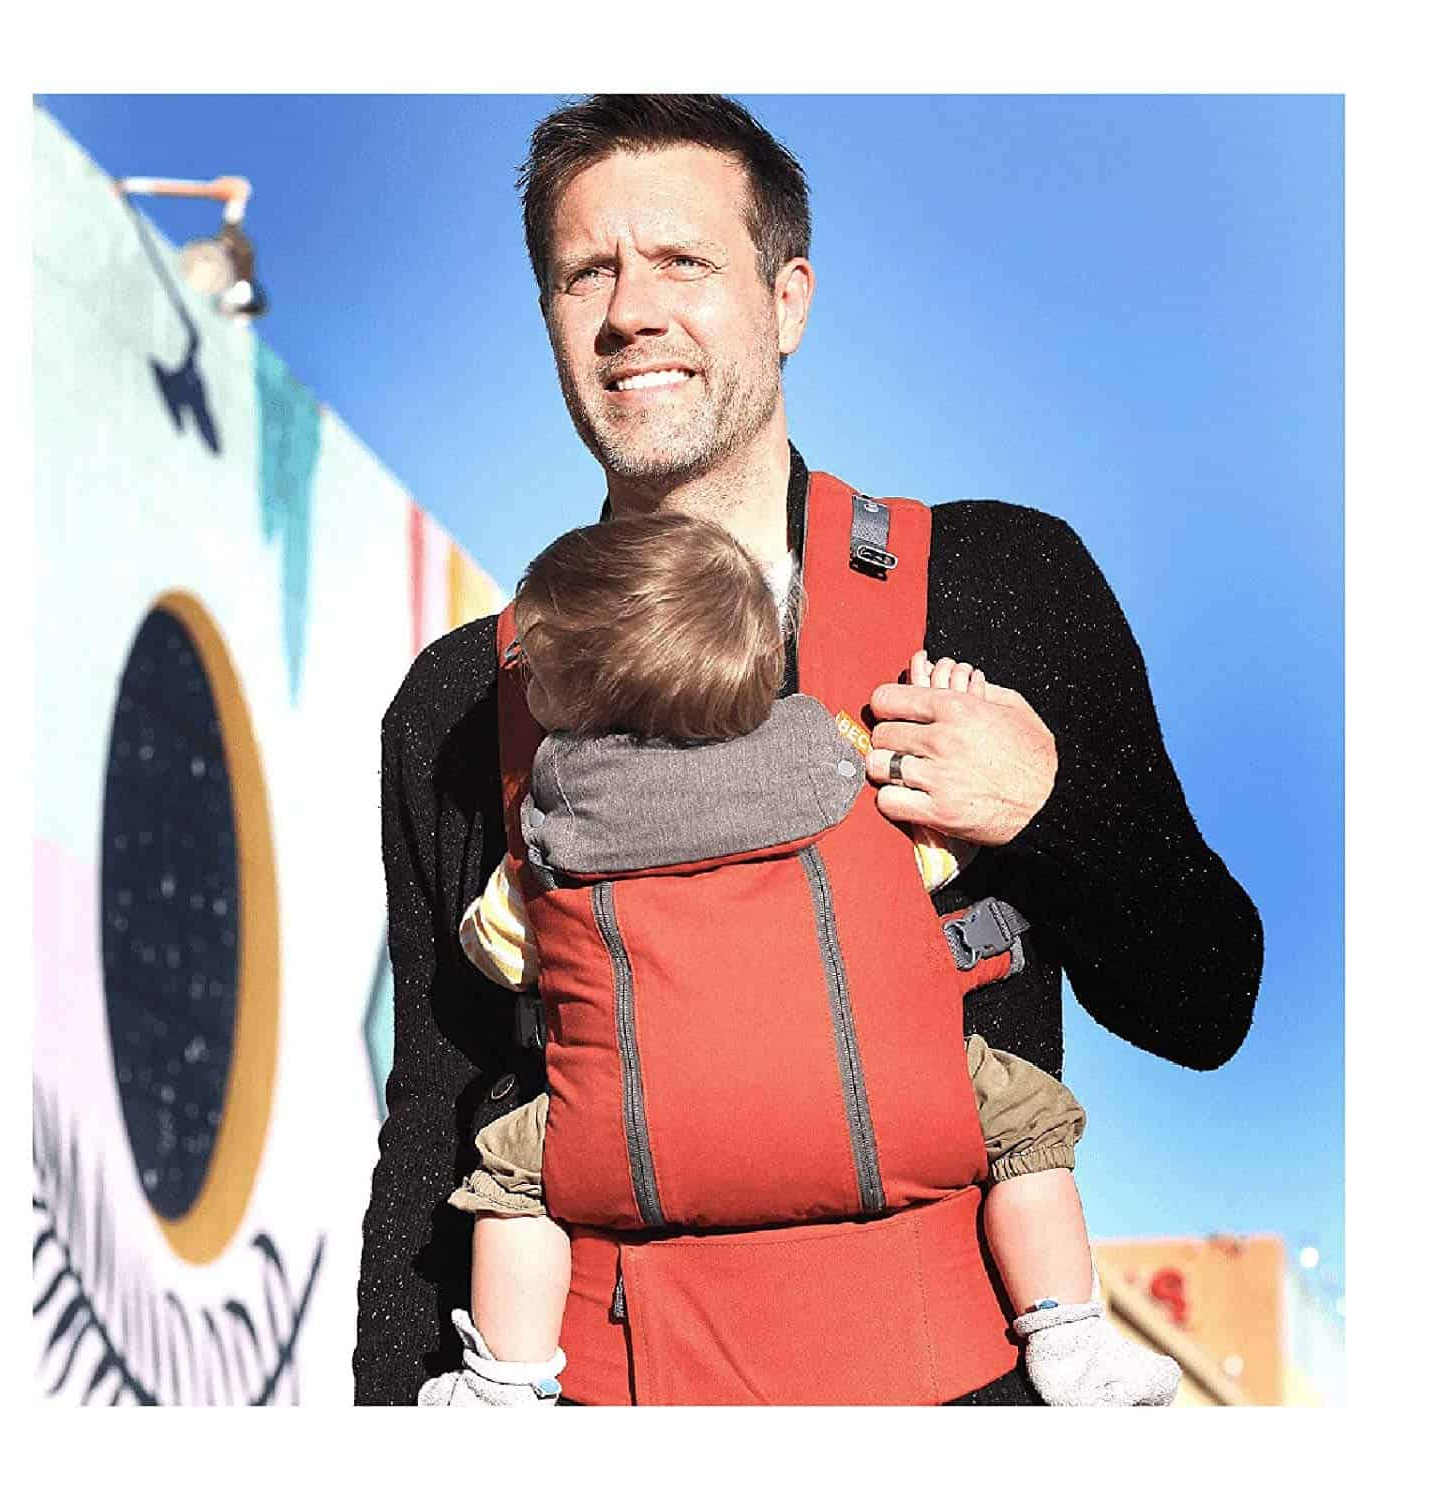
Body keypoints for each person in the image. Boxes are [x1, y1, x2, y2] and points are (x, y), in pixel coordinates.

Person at [354, 94, 1263, 1406]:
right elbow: (433, 1126)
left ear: (787, 300)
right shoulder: (459, 700)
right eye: (586, 271)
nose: (631, 312)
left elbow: (1207, 1000)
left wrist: (1050, 808)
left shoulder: (999, 584)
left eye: (683, 261)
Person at [418, 511, 1181, 1408]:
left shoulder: (553, 836)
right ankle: (1070, 1341)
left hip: (638, 1137)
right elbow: (935, 865)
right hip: (884, 1114)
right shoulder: (841, 777)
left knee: (511, 1181)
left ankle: (502, 1386)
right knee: (1028, 1125)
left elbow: (499, 952)